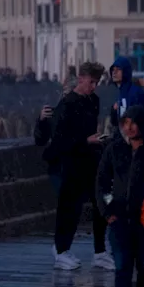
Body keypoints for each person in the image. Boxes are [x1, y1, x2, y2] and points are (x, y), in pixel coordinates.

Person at [40, 61, 112, 270]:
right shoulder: (68, 104)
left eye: (97, 82)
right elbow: (60, 139)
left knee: (101, 203)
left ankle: (100, 251)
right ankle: (62, 251)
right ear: (81, 79)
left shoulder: (94, 100)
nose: (94, 86)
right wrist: (85, 141)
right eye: (91, 82)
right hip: (70, 163)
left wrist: (96, 139)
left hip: (91, 159)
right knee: (69, 209)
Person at [96, 105, 144, 287]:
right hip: (119, 220)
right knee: (122, 268)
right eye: (126, 123)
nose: (129, 128)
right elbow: (102, 183)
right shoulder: (114, 150)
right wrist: (108, 210)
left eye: (134, 123)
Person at [109, 56, 144, 131]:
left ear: (126, 71)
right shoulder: (120, 93)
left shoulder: (136, 92)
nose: (114, 72)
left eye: (119, 69)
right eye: (113, 69)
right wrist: (114, 111)